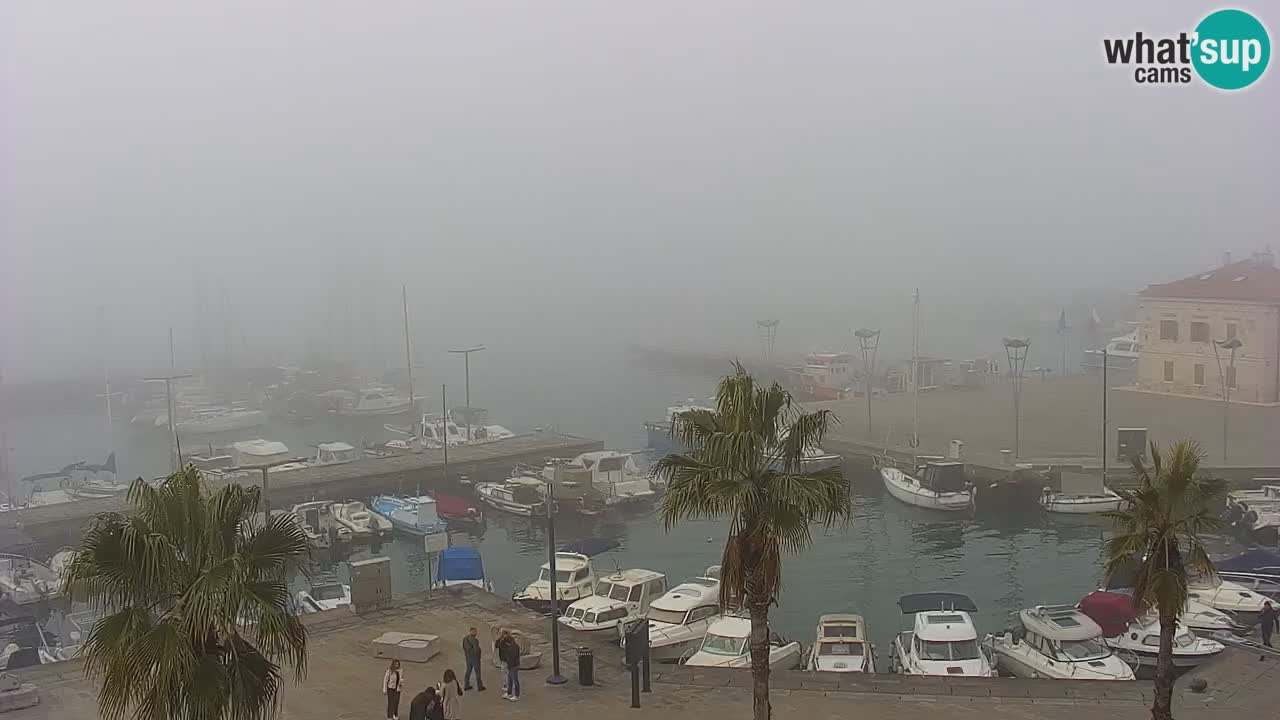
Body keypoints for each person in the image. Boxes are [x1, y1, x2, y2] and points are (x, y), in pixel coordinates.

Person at [495, 629, 522, 701]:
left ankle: (517, 695)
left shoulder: (513, 648)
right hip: (510, 665)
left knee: (515, 680)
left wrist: (509, 665)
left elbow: (512, 658)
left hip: (514, 666)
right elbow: (497, 645)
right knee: (509, 679)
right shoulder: (509, 645)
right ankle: (509, 693)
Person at [461, 627, 485, 691]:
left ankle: (466, 685)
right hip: (475, 659)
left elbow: (463, 647)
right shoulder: (475, 640)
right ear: (472, 632)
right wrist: (479, 654)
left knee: (468, 671)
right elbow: (476, 650)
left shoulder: (465, 639)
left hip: (468, 658)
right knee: (477, 672)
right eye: (475, 631)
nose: (476, 633)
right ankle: (480, 686)